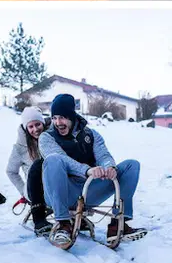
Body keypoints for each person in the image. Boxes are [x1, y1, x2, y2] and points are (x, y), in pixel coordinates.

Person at [39, 93, 147, 250]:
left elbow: (103, 155)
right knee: (53, 160)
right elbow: (62, 159)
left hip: (87, 191)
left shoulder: (91, 134)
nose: (57, 122)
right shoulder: (47, 137)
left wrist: (109, 167)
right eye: (54, 118)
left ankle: (117, 225)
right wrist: (87, 170)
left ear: (72, 116)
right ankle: (63, 224)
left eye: (62, 117)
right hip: (60, 193)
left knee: (131, 165)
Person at [5, 106, 52, 234]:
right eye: (30, 126)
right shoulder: (20, 147)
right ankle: (39, 220)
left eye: (38, 124)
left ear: (43, 123)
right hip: (33, 188)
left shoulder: (52, 137)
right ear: (26, 128)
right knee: (37, 165)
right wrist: (23, 191)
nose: (35, 129)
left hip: (53, 183)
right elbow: (11, 171)